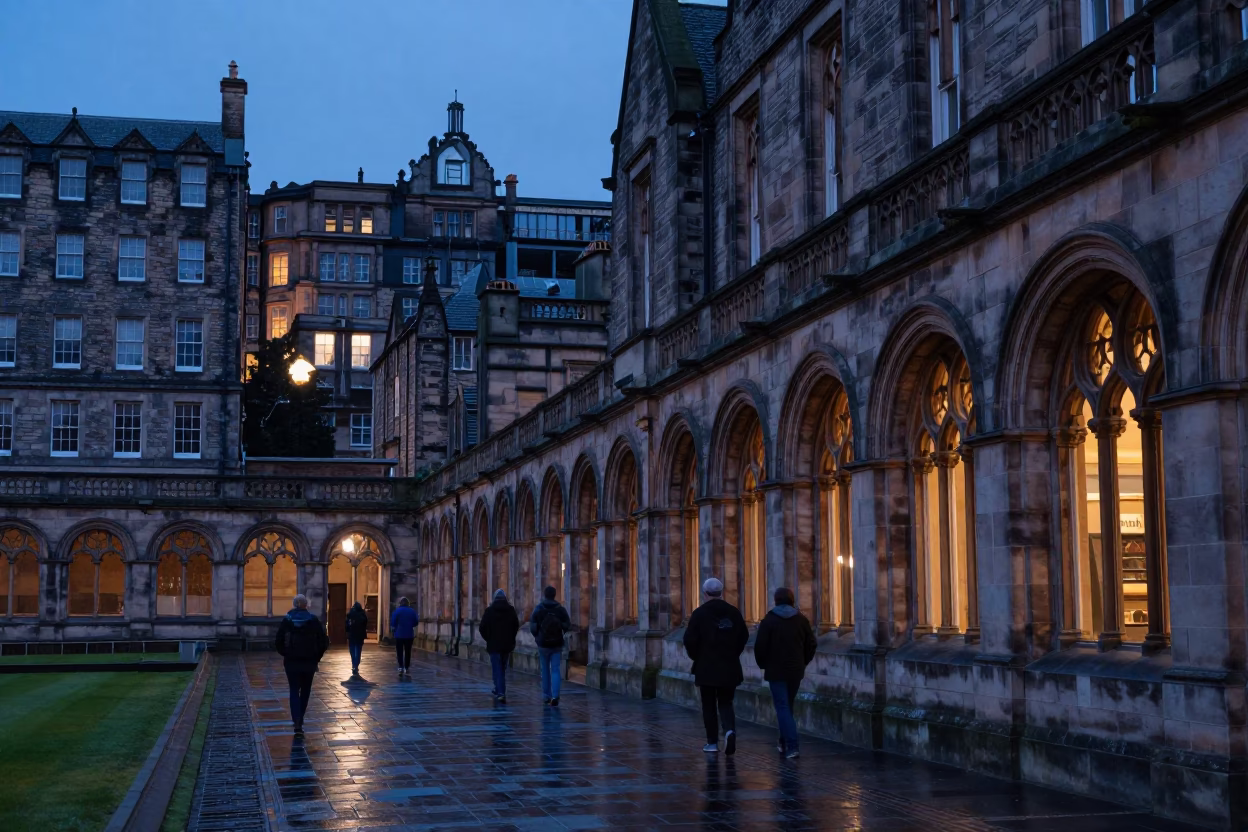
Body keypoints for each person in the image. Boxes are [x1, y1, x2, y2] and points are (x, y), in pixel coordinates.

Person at [683, 577, 749, 754]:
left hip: (707, 666)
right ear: (721, 592)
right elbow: (743, 636)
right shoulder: (733, 612)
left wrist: (697, 656)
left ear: (705, 593)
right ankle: (729, 730)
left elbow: (689, 640)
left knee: (709, 704)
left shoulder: (699, 614)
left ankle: (712, 742)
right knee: (726, 702)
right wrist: (733, 653)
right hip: (729, 666)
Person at [753, 587, 817, 759]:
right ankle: (783, 741)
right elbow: (811, 644)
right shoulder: (801, 620)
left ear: (776, 600)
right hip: (795, 669)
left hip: (776, 669)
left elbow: (760, 646)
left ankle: (792, 745)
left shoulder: (769, 620)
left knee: (782, 706)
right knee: (787, 706)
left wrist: (763, 664)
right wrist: (803, 662)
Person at [274, 594, 329, 733]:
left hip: (292, 661)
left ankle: (296, 719)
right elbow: (323, 641)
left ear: (294, 604)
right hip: (309, 661)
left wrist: (286, 653)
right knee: (305, 690)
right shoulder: (313, 620)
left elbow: (278, 641)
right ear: (306, 605)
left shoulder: (287, 620)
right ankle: (300, 718)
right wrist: (317, 657)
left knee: (293, 689)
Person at [529, 586, 571, 706]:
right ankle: (555, 695)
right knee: (556, 669)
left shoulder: (539, 608)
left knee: (545, 669)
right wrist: (560, 630)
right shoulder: (560, 609)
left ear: (545, 594)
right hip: (556, 643)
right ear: (554, 595)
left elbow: (533, 625)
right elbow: (567, 625)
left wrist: (537, 635)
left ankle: (546, 695)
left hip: (543, 644)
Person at [478, 588, 521, 703]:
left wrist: (489, 638)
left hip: (494, 645)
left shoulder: (489, 611)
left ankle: (500, 692)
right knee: (502, 668)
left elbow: (482, 628)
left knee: (497, 668)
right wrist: (511, 638)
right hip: (507, 645)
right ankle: (498, 689)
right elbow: (516, 626)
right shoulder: (511, 610)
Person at [391, 597, 419, 676]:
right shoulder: (412, 611)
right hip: (409, 634)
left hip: (399, 634)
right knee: (408, 651)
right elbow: (416, 622)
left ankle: (400, 666)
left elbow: (393, 622)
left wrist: (394, 629)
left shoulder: (397, 611)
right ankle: (406, 666)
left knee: (399, 651)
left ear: (400, 603)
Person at [345, 601, 368, 676]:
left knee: (352, 650)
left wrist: (347, 631)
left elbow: (347, 625)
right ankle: (356, 665)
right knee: (358, 650)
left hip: (352, 634)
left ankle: (353, 664)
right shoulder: (362, 615)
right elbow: (365, 624)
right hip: (360, 635)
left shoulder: (350, 615)